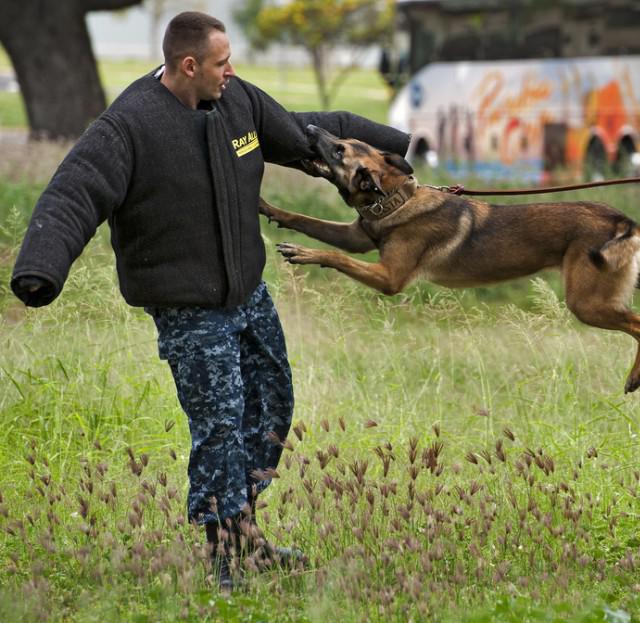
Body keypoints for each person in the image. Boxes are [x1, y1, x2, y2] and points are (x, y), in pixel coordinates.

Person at [9, 11, 410, 591]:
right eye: (222, 63)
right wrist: (40, 269)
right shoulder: (128, 127)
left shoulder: (238, 102)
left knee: (272, 407)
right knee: (219, 425)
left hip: (247, 290)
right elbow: (75, 191)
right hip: (187, 306)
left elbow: (305, 133)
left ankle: (244, 533)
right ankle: (227, 559)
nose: (233, 71)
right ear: (188, 65)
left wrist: (398, 150)